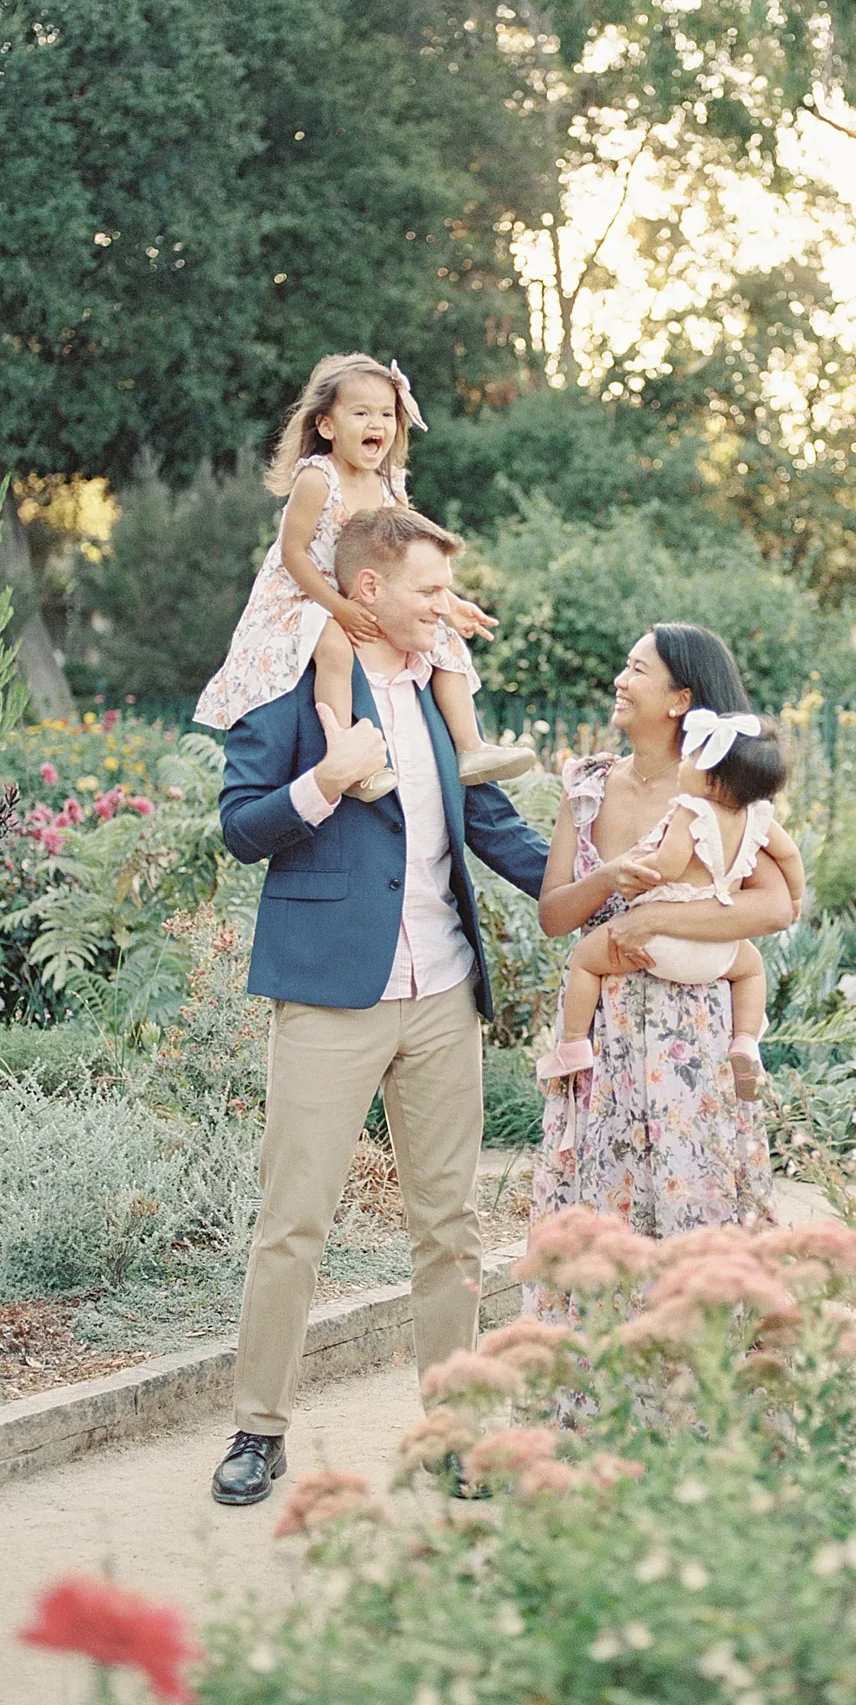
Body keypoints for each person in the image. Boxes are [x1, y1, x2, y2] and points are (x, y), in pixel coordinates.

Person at [208, 506, 549, 1508]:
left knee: (449, 1227)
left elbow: (489, 821)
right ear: (368, 590)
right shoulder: (288, 683)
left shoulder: (443, 699)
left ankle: (453, 1429)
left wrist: (594, 890)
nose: (449, 609)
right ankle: (258, 1429)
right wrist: (325, 778)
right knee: (294, 1221)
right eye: (432, 592)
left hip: (443, 991)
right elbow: (238, 826)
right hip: (327, 994)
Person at [531, 624, 794, 1247]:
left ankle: (697, 1337)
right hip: (605, 1035)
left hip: (695, 1035)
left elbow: (777, 906)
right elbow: (553, 916)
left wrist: (651, 919)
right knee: (604, 1206)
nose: (619, 681)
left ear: (681, 699)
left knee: (694, 1197)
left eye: (637, 670)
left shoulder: (718, 795)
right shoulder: (588, 786)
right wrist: (610, 881)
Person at [195, 351, 532, 795]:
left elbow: (408, 561)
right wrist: (336, 607)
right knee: (334, 643)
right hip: (303, 595)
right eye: (361, 413)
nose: (378, 423)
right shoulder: (317, 478)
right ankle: (345, 757)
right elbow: (293, 555)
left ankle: (470, 747)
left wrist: (449, 605)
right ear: (327, 426)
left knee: (439, 636)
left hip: (362, 591)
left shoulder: (391, 483)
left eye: (387, 413)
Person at [538, 709, 804, 1102]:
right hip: (715, 950)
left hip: (659, 943)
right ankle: (746, 1042)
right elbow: (791, 857)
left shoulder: (690, 810)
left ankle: (574, 1045)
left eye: (693, 756)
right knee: (751, 969)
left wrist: (638, 869)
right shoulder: (757, 818)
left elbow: (669, 865)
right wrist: (796, 896)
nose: (685, 760)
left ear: (712, 777)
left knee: (585, 959)